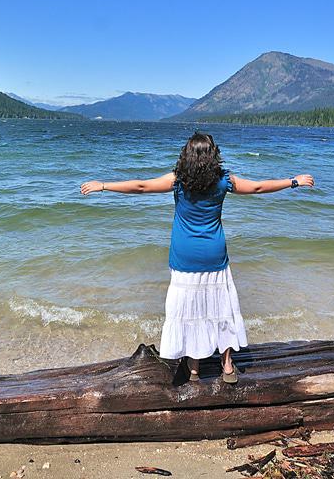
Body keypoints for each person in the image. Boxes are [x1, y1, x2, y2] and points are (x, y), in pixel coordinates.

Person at [80, 132, 314, 383]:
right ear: (214, 155)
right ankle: (226, 365)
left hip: (184, 257)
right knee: (220, 307)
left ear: (187, 155)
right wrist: (293, 181)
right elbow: (257, 187)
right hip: (214, 254)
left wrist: (103, 185)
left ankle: (193, 367)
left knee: (189, 310)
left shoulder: (178, 181)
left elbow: (141, 186)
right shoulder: (225, 181)